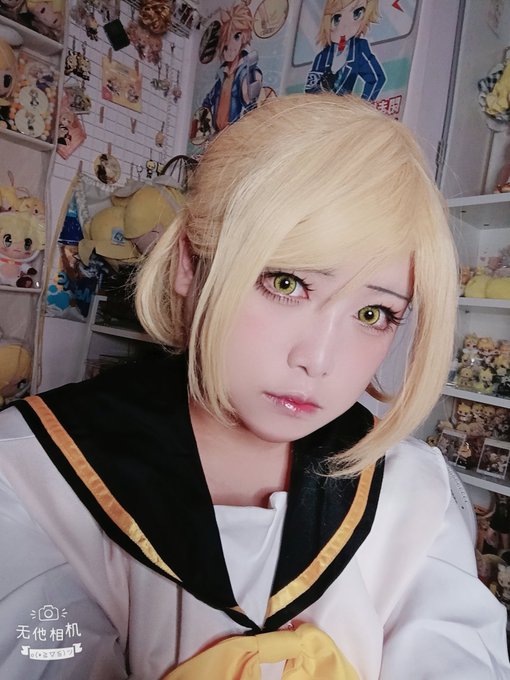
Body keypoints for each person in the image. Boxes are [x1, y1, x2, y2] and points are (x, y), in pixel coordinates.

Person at [0, 93, 509, 679]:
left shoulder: (410, 492)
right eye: (287, 282)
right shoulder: (34, 469)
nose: (318, 360)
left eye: (374, 314)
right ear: (189, 263)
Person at [199, 0, 262, 137]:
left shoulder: (247, 72)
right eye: (226, 40)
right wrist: (203, 123)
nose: (230, 46)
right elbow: (208, 100)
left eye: (236, 37)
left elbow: (251, 107)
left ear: (244, 38)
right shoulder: (223, 74)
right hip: (217, 136)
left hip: (232, 138)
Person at [305, 0, 386, 101]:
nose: (345, 26)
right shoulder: (322, 57)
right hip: (323, 107)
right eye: (337, 19)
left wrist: (362, 104)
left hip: (344, 107)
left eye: (357, 13)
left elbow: (377, 78)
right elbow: (310, 89)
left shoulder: (358, 49)